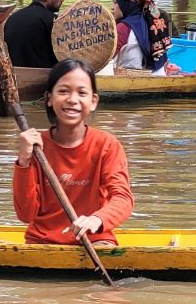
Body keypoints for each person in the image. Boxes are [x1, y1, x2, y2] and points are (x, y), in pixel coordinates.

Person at [13, 59, 134, 245]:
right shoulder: (36, 146)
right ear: (49, 99)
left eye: (82, 93)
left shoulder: (106, 145)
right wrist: (24, 162)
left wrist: (97, 219)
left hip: (95, 241)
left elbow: (123, 199)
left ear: (93, 101)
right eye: (63, 91)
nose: (72, 99)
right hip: (42, 243)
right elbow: (25, 214)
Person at [109, 0, 173, 74]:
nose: (112, 7)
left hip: (133, 79)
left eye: (115, 3)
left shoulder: (123, 27)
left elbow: (106, 57)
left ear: (125, 4)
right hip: (158, 74)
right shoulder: (151, 20)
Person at [3, 0, 64, 68]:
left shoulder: (12, 18)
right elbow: (61, 55)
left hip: (15, 75)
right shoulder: (53, 21)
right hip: (43, 77)